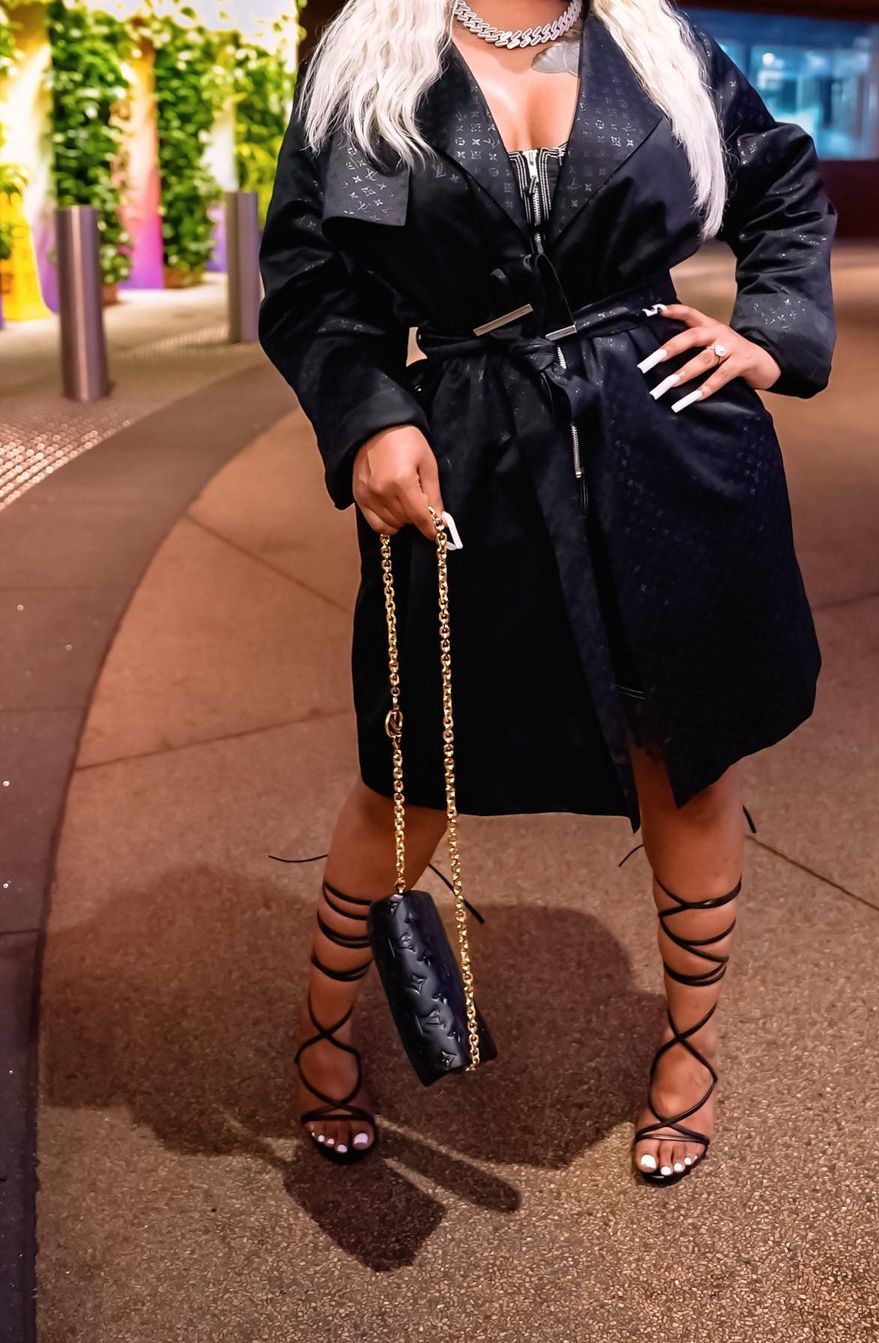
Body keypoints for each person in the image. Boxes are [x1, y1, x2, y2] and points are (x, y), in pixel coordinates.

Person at [259, 0, 836, 1187]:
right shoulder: (371, 56)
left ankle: (692, 1048)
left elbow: (780, 179)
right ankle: (322, 1030)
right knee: (409, 768)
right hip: (467, 450)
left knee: (688, 751)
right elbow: (311, 277)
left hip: (666, 440)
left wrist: (772, 328)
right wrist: (366, 414)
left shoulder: (656, 41)